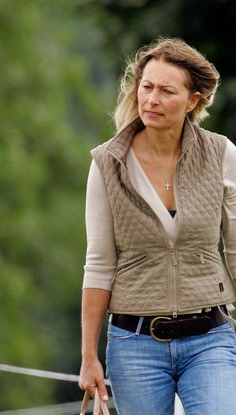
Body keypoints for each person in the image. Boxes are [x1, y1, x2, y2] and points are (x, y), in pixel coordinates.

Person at [78, 37, 236, 415]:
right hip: (134, 345)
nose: (151, 100)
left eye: (167, 91)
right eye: (146, 87)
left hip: (210, 336)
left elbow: (235, 248)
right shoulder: (106, 164)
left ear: (193, 100)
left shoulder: (222, 154)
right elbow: (99, 264)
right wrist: (88, 357)